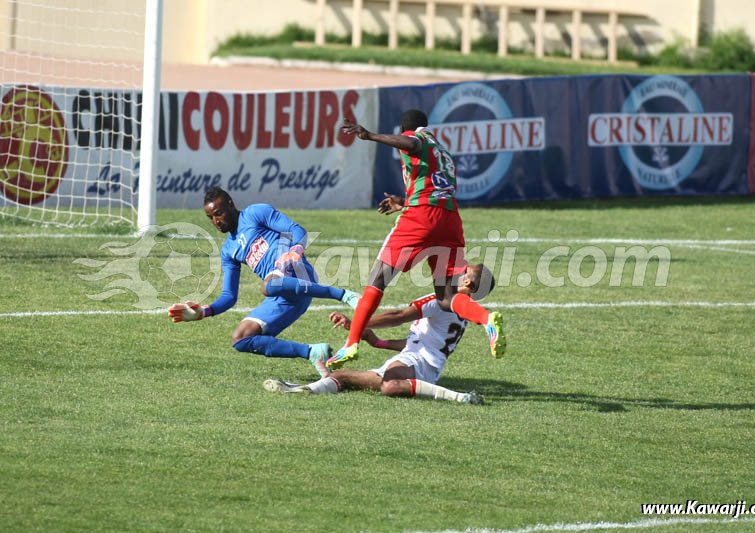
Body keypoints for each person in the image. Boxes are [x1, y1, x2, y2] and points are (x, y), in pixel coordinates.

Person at [327, 109, 506, 370]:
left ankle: (351, 343)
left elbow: (411, 143)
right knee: (446, 296)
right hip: (450, 219)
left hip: (422, 216)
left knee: (378, 278)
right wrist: (403, 203)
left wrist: (370, 135)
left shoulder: (416, 138)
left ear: (405, 129)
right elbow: (434, 187)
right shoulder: (444, 153)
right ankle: (486, 319)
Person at [168, 186, 360, 377]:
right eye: (210, 218)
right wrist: (204, 312)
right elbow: (229, 296)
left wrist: (296, 250)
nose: (216, 221)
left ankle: (344, 295)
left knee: (268, 285)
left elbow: (296, 229)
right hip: (283, 293)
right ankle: (313, 352)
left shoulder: (255, 213)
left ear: (230, 204)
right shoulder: (228, 250)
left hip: (297, 273)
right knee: (241, 338)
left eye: (218, 214)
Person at [263, 264, 496, 405]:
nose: (458, 271)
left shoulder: (444, 300)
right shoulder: (462, 311)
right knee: (343, 377)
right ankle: (296, 389)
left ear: (467, 281)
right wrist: (379, 342)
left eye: (464, 271)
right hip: (422, 366)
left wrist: (356, 325)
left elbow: (398, 315)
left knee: (390, 386)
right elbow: (423, 342)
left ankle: (460, 397)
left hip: (416, 364)